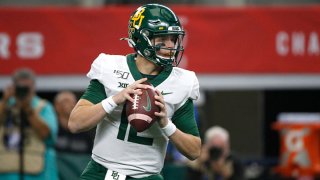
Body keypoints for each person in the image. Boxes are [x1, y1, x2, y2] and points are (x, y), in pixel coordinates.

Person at [68, 3, 201, 180]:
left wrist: (165, 124)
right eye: (163, 39)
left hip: (147, 176)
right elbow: (75, 123)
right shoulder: (110, 68)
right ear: (141, 39)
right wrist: (114, 100)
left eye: (174, 39)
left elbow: (194, 150)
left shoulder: (182, 82)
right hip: (100, 172)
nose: (171, 46)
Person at [0, 68, 58, 180]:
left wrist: (28, 110)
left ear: (33, 87)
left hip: (37, 174)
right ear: (13, 87)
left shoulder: (44, 107)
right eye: (20, 88)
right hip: (6, 173)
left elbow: (48, 137)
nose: (24, 91)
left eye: (27, 88)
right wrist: (5, 100)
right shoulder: (4, 106)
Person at [54, 91, 94, 180]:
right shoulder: (52, 128)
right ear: (56, 106)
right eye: (66, 101)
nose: (70, 104)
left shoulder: (84, 130)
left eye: (73, 102)